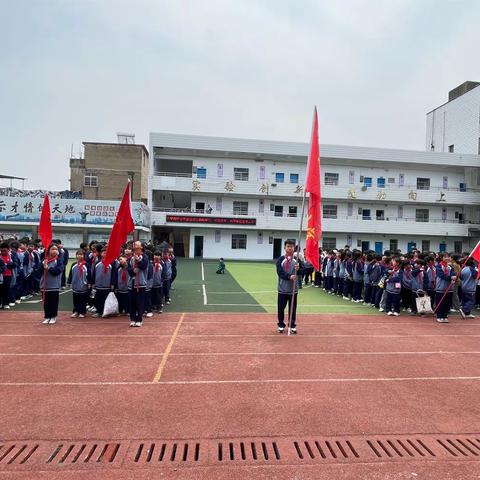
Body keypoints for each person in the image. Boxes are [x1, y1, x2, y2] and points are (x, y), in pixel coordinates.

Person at [276, 239, 299, 334]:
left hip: (293, 289)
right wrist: (289, 276)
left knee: (292, 308)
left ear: (294, 248)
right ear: (285, 248)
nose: (290, 248)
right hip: (282, 289)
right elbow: (279, 272)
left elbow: (303, 272)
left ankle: (292, 325)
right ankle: (281, 324)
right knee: (281, 308)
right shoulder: (281, 259)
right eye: (288, 246)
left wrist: (299, 269)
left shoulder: (297, 260)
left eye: (292, 247)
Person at [40, 243, 64, 324]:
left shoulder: (59, 260)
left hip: (54, 285)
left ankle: (53, 317)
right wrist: (43, 266)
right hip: (44, 285)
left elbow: (57, 271)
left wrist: (48, 268)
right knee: (46, 303)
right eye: (53, 249)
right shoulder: (44, 260)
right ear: (48, 250)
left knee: (53, 302)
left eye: (56, 249)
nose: (55, 251)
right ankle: (47, 316)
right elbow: (38, 271)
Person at [128, 241, 149, 327]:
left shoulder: (144, 257)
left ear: (141, 248)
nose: (135, 248)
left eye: (137, 246)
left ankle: (139, 319)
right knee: (132, 302)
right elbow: (129, 269)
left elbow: (144, 266)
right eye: (134, 247)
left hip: (141, 283)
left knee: (140, 302)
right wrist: (133, 271)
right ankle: (132, 319)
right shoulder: (131, 258)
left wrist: (138, 261)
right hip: (131, 283)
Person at [91, 247, 114, 318]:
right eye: (104, 252)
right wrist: (93, 283)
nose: (105, 254)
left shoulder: (111, 263)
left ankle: (106, 312)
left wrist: (113, 283)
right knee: (98, 299)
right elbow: (94, 274)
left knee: (106, 300)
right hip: (98, 285)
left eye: (106, 253)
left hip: (107, 286)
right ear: (101, 254)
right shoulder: (97, 264)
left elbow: (113, 274)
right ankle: (99, 312)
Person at [434, 253, 456, 323]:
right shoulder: (438, 266)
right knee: (440, 303)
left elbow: (453, 274)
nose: (447, 258)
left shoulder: (450, 267)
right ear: (442, 258)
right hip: (441, 288)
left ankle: (445, 316)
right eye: (445, 257)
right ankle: (439, 316)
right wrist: (451, 277)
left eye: (448, 257)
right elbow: (442, 275)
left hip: (449, 288)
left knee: (447, 303)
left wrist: (454, 277)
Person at [67, 249, 89, 318]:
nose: (79, 256)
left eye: (81, 254)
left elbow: (89, 275)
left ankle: (82, 312)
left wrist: (89, 283)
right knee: (75, 299)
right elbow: (70, 274)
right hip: (75, 285)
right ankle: (76, 311)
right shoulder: (73, 264)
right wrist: (69, 282)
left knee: (83, 300)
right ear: (76, 256)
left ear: (84, 256)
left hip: (83, 285)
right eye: (78, 254)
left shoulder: (86, 265)